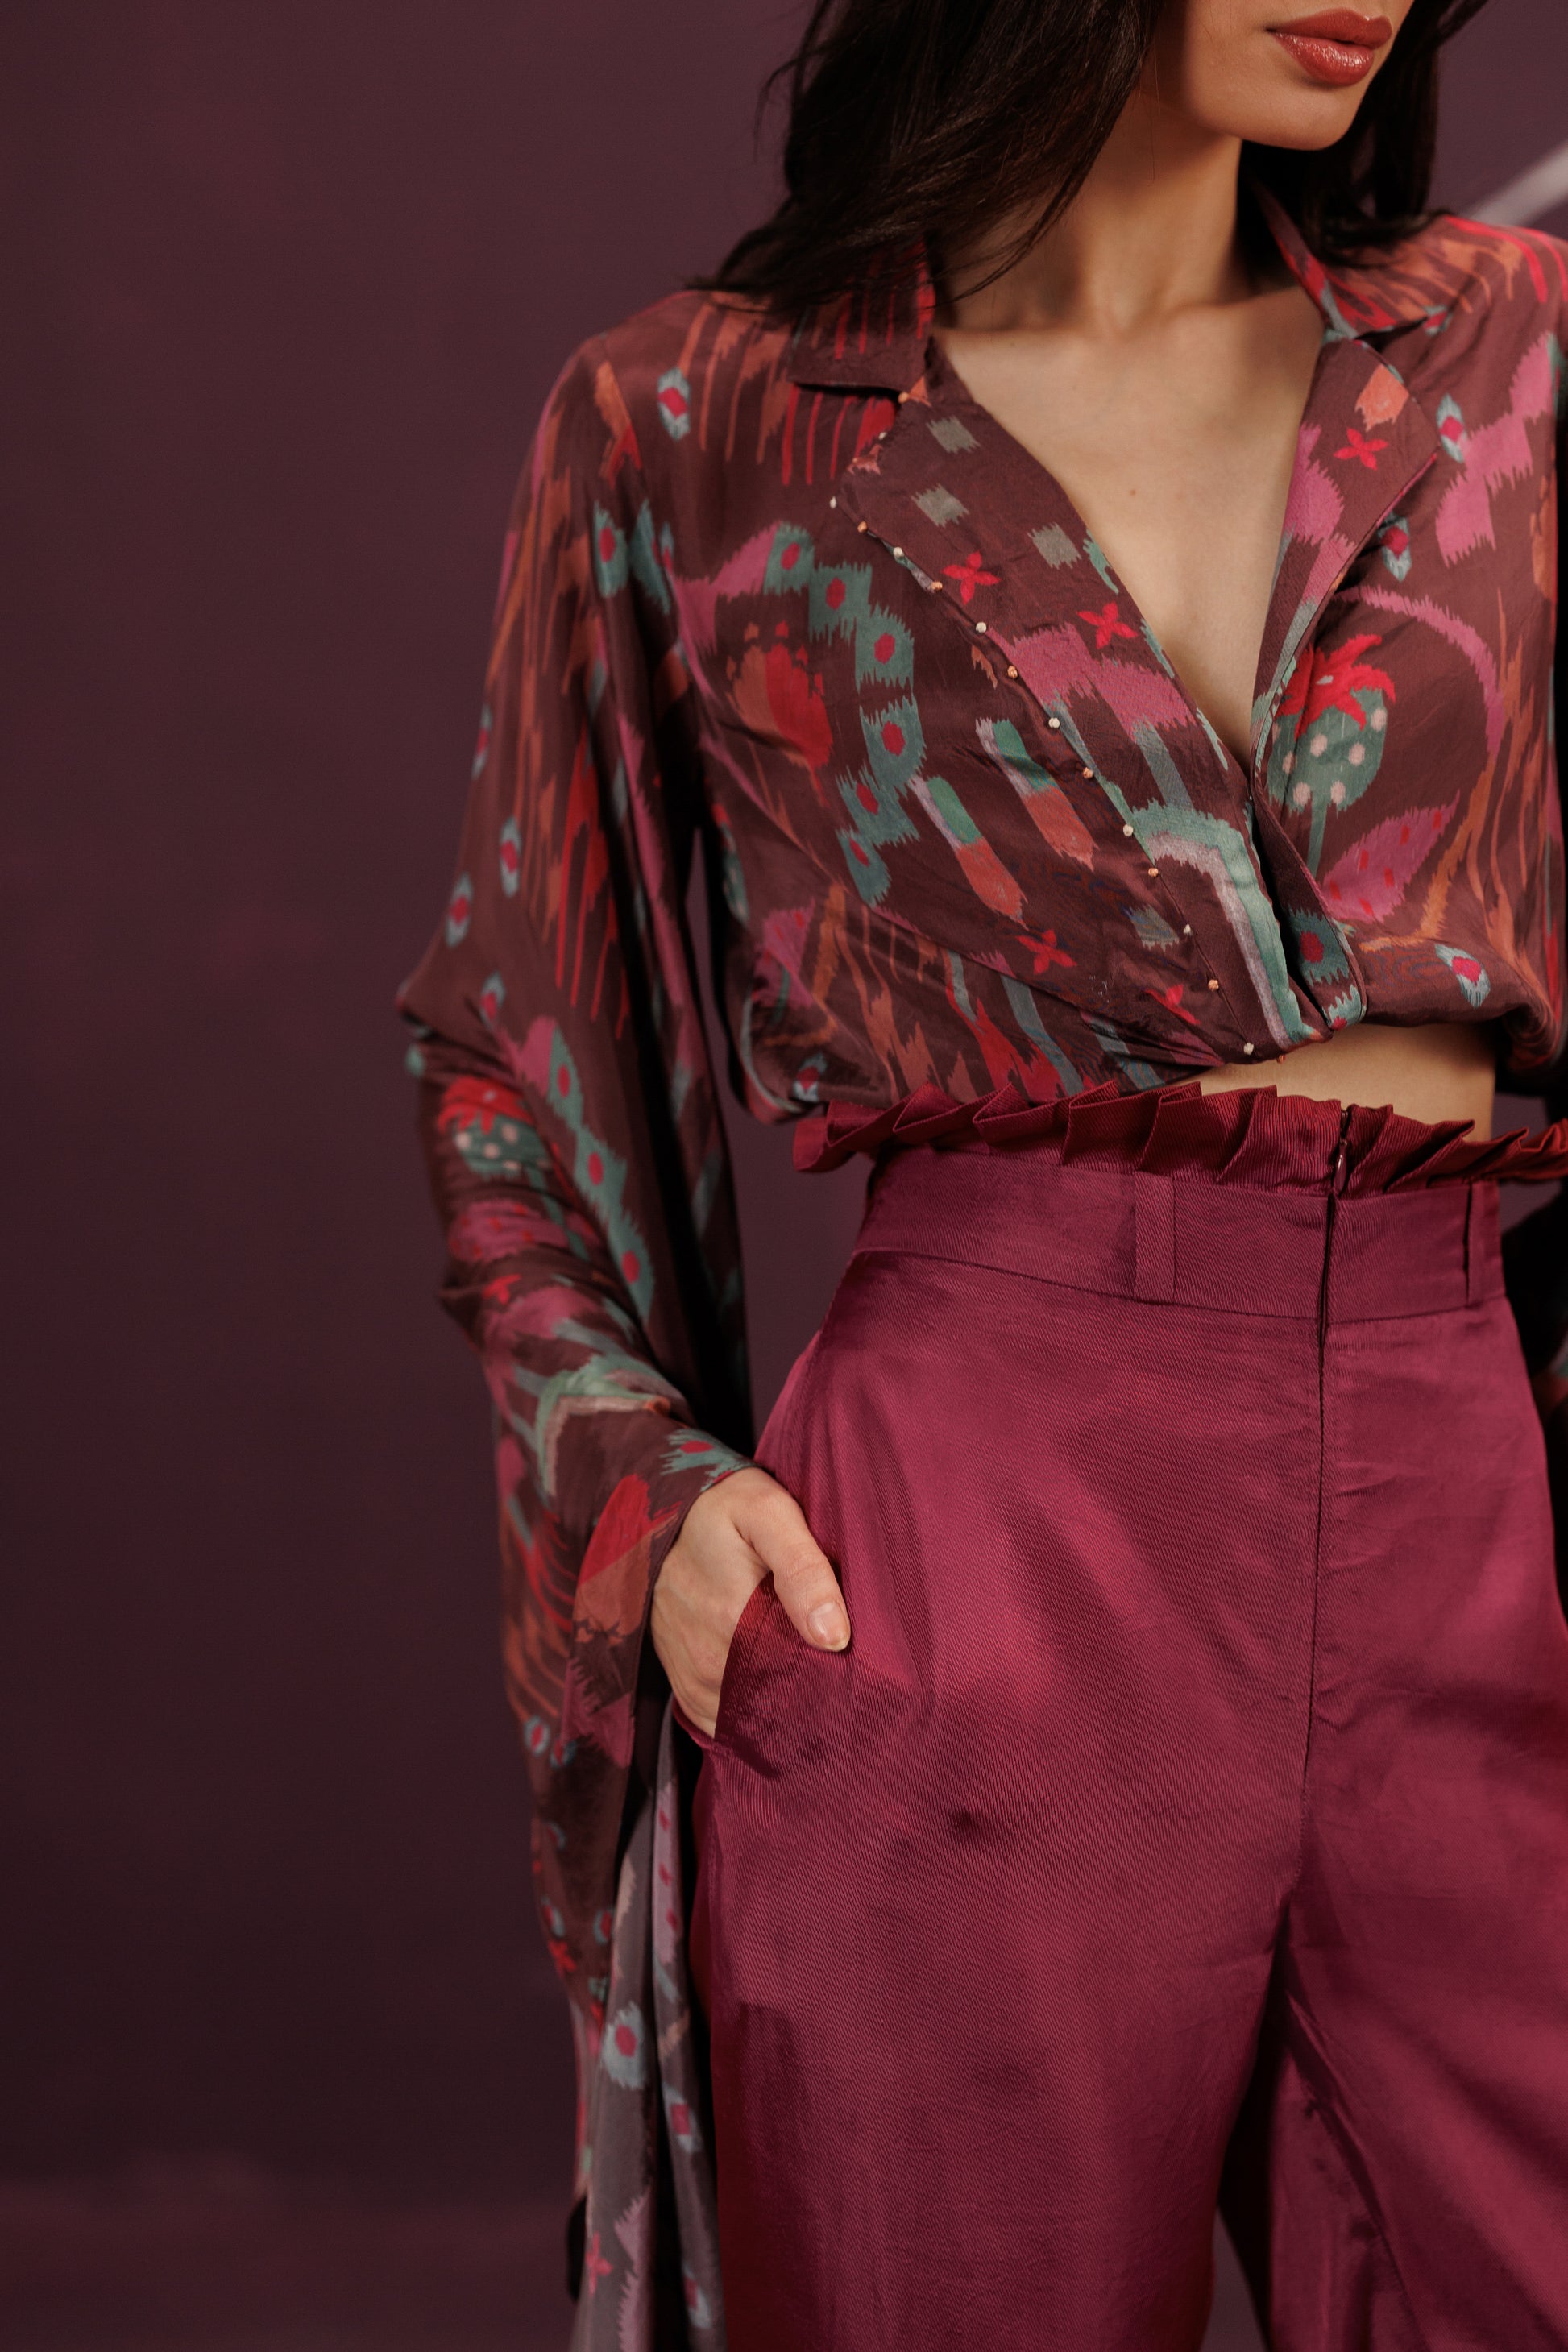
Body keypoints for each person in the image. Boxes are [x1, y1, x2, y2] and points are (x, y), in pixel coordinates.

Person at [399, 0, 1568, 2342]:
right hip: (971, 1550)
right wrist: (642, 1491)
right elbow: (521, 1044)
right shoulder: (699, 421)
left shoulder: (1512, 353)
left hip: (1473, 1508)